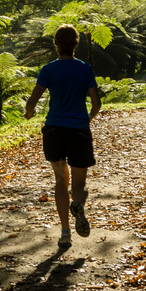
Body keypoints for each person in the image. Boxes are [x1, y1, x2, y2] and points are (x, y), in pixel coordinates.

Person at [24, 24, 102, 248]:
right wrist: (86, 120)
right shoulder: (85, 69)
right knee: (79, 183)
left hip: (54, 130)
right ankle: (77, 203)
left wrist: (29, 114)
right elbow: (96, 104)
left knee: (60, 180)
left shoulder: (48, 69)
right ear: (76, 43)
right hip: (78, 130)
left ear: (56, 44)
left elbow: (32, 101)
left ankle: (65, 233)